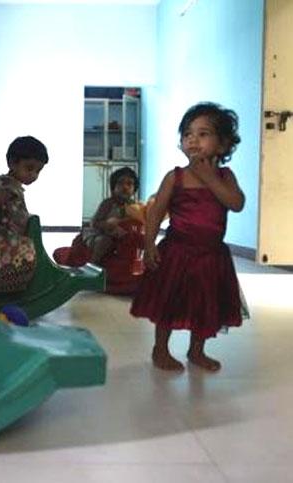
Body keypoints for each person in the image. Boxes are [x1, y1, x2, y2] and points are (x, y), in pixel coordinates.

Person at [130, 102, 245, 372]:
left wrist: (209, 177)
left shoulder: (225, 177)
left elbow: (236, 203)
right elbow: (155, 213)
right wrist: (148, 246)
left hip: (211, 256)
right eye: (187, 134)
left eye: (203, 133)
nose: (192, 139)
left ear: (222, 144)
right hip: (177, 252)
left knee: (206, 304)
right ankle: (161, 348)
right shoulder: (176, 177)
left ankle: (197, 351)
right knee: (170, 302)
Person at [0, 136, 48, 293]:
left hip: (10, 233)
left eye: (38, 171)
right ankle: (11, 286)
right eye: (29, 168)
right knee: (27, 254)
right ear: (12, 163)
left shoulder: (7, 183)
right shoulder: (10, 188)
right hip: (6, 238)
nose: (33, 175)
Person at [82, 166, 140, 265]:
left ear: (134, 189)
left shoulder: (134, 206)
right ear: (113, 188)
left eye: (129, 184)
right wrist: (110, 226)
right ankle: (92, 264)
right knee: (105, 241)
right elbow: (95, 223)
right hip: (98, 234)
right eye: (120, 183)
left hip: (121, 236)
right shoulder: (108, 203)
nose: (125, 187)